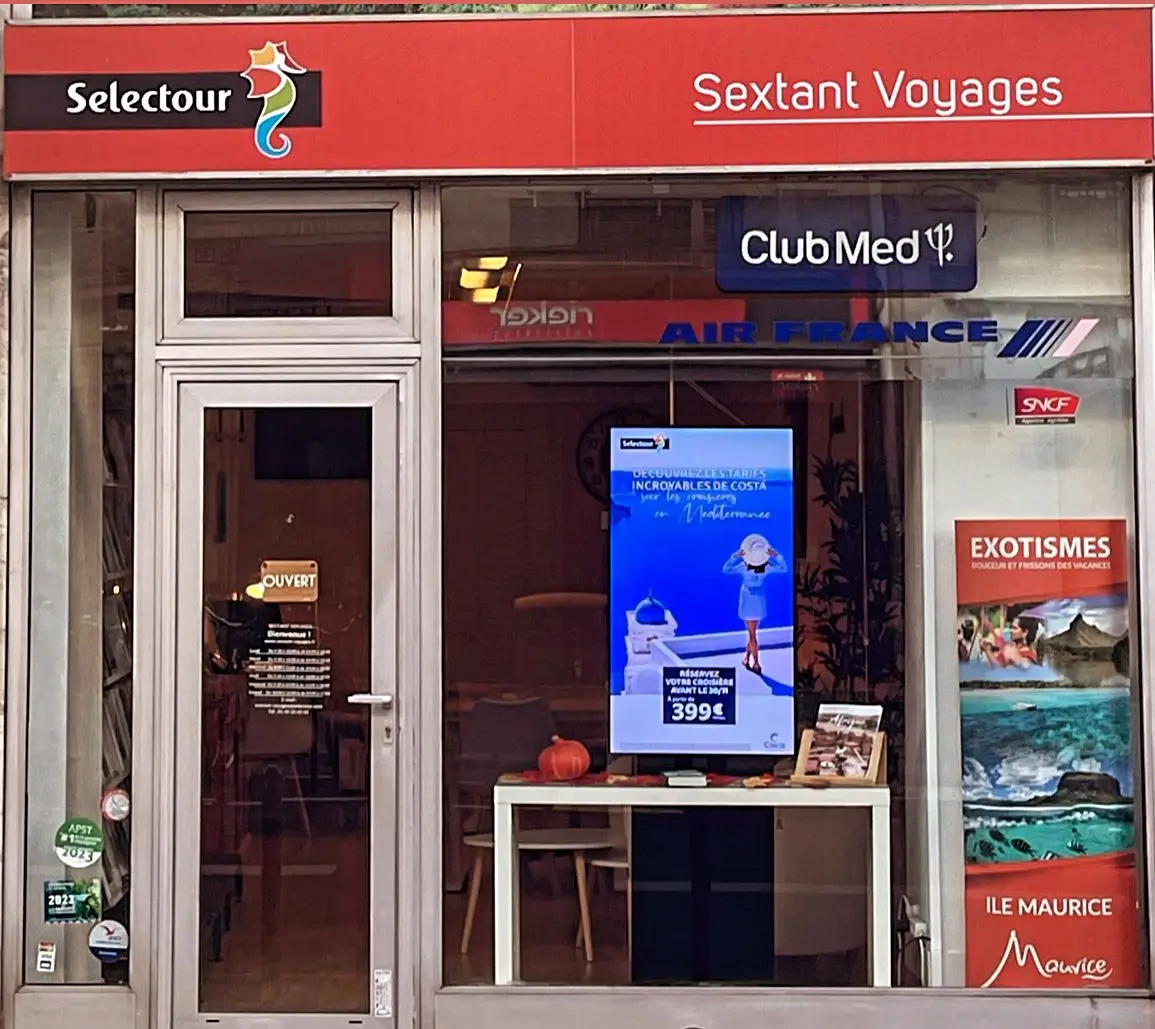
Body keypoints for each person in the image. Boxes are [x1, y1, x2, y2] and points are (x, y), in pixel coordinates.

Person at [722, 534, 784, 675]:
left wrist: (735, 556)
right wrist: (776, 555)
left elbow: (726, 569)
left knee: (752, 633)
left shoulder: (745, 567)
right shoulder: (766, 567)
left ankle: (756, 663)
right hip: (756, 600)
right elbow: (783, 567)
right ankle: (747, 658)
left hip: (749, 600)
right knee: (752, 632)